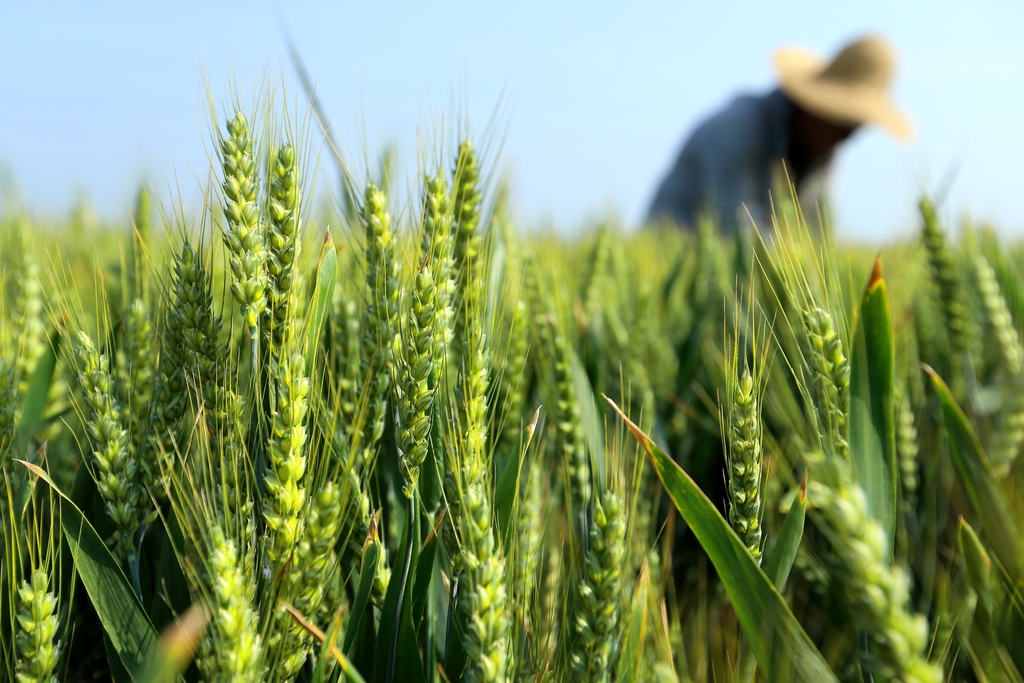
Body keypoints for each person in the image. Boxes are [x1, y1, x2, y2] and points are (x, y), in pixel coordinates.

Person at [647, 35, 913, 233]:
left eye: (856, 127)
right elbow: (739, 235)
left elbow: (817, 236)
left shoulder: (821, 151)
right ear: (813, 105)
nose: (847, 138)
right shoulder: (738, 129)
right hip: (664, 266)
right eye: (844, 123)